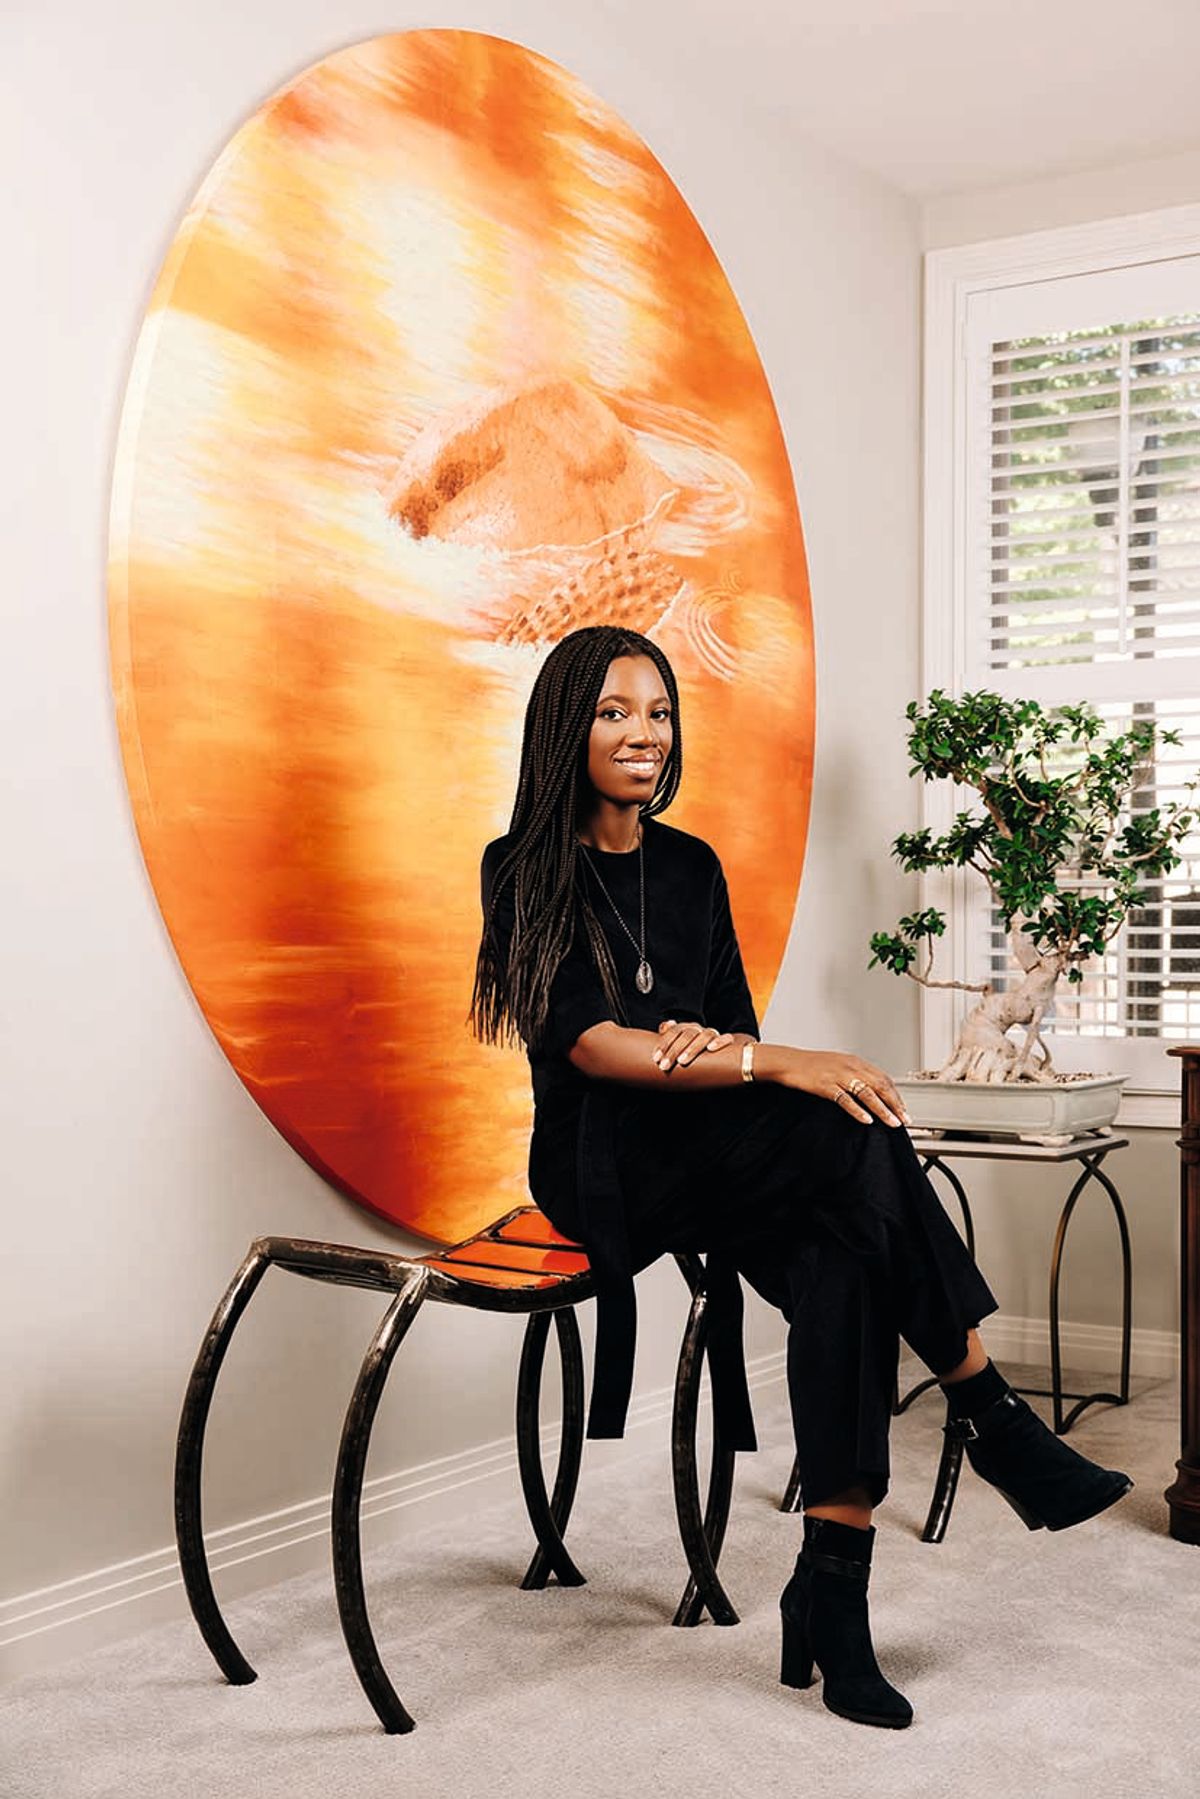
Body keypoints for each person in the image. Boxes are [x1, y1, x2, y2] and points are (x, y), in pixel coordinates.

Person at [468, 623, 1133, 1731]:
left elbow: (718, 1033)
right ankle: (991, 1412)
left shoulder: (690, 865)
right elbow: (592, 1044)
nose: (643, 733)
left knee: (847, 1244)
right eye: (613, 711)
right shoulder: (522, 865)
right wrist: (777, 1058)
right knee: (847, 1123)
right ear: (564, 728)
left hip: (705, 1140)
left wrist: (735, 1052)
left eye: (659, 711)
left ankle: (834, 1596)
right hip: (602, 1162)